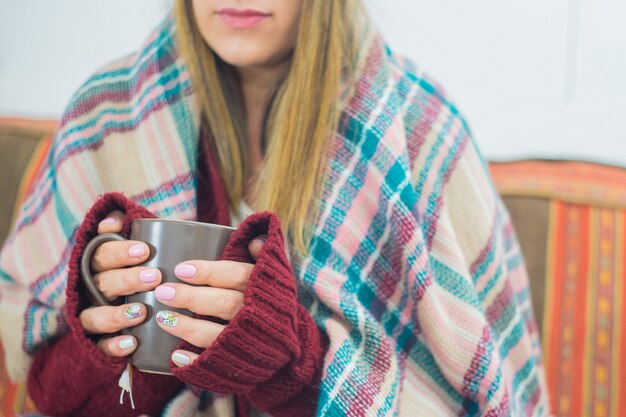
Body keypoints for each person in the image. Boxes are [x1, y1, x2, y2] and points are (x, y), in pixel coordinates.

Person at [0, 0, 550, 416]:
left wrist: (292, 363)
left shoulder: (416, 130)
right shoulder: (106, 115)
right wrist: (118, 342)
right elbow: (47, 392)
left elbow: (490, 396)